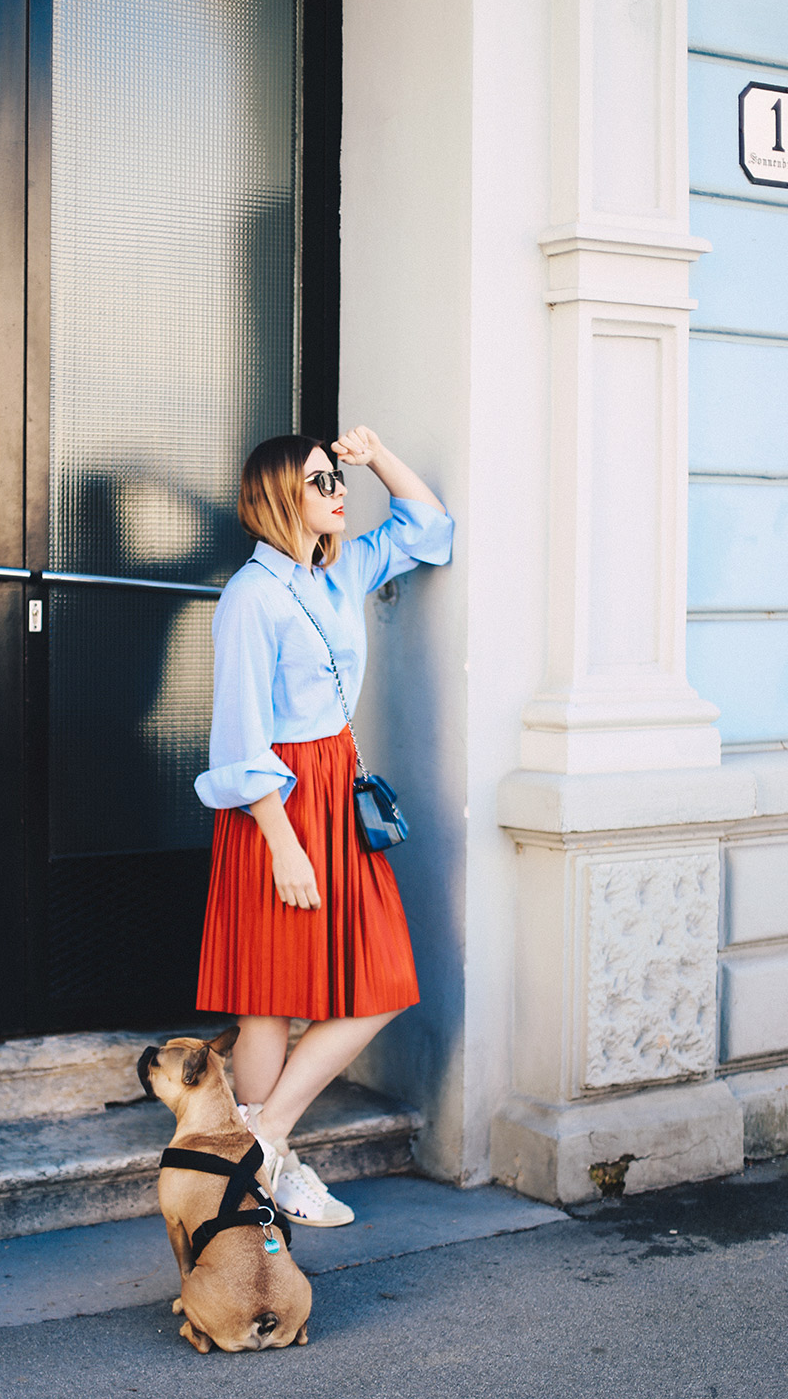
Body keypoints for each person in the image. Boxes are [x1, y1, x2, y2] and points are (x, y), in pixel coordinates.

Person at [193, 426, 453, 1227]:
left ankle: (262, 1140)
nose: (339, 491)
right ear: (281, 498)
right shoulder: (251, 596)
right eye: (321, 480)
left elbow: (430, 530)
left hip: (337, 789)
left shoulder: (341, 572)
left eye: (336, 477)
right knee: (267, 1000)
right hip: (278, 806)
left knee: (380, 981)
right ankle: (269, 1168)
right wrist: (281, 842)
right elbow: (240, 737)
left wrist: (376, 458)